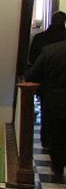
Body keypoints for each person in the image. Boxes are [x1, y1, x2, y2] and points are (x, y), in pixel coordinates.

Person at [25, 39, 66, 181]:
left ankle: (58, 167)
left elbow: (31, 75)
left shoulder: (50, 50)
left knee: (56, 133)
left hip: (55, 98)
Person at [28, 11, 66, 149]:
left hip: (48, 87)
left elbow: (32, 61)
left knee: (48, 118)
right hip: (57, 86)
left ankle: (48, 142)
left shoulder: (41, 39)